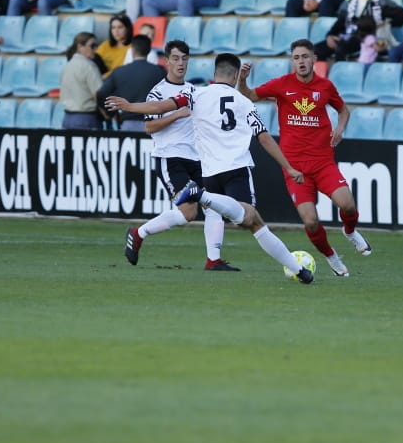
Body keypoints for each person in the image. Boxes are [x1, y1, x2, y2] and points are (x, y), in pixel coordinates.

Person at [109, 53, 314, 280]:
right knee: (251, 219)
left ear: (214, 74)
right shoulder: (244, 102)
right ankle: (203, 197)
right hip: (236, 169)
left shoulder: (195, 94)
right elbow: (264, 138)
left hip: (209, 172)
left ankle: (298, 271)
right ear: (236, 75)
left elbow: (162, 105)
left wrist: (129, 106)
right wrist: (289, 167)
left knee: (237, 217)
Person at [237, 39, 371, 275]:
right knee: (310, 221)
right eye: (297, 57)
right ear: (292, 61)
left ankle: (349, 231)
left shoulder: (325, 86)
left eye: (305, 57)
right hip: (295, 167)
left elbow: (343, 110)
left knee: (348, 205)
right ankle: (332, 257)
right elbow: (247, 95)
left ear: (313, 59)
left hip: (322, 162)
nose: (301, 61)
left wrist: (340, 127)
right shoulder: (281, 85)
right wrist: (242, 79)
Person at [121, 39, 236, 269]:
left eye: (184, 58)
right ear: (166, 61)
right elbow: (149, 128)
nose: (180, 63)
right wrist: (176, 114)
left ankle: (214, 260)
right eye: (175, 58)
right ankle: (138, 233)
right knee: (189, 212)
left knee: (214, 203)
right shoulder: (157, 93)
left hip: (198, 158)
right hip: (170, 158)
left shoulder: (194, 91)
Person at [315, 0, 388, 61]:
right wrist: (330, 36)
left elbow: (383, 26)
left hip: (364, 39)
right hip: (345, 36)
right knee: (314, 51)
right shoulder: (348, 1)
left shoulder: (381, 2)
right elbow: (340, 22)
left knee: (341, 48)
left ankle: (340, 74)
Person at [100, 36, 166, 132]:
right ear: (148, 51)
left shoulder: (119, 71)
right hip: (152, 124)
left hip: (128, 124)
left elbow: (102, 93)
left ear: (132, 50)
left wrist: (111, 114)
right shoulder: (159, 72)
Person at [60, 31, 104, 131]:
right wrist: (108, 115)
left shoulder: (67, 66)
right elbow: (99, 94)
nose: (95, 49)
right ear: (80, 47)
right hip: (86, 118)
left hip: (67, 118)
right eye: (92, 46)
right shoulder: (89, 66)